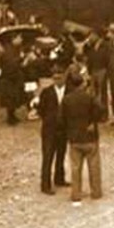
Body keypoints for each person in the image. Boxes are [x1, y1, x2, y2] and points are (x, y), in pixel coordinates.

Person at [61, 74, 103, 204]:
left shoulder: (66, 99)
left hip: (74, 138)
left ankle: (76, 194)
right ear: (82, 84)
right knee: (94, 166)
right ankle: (96, 192)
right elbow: (101, 110)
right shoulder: (89, 97)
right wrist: (92, 121)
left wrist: (68, 129)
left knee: (75, 167)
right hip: (89, 137)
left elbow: (61, 118)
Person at [37, 65, 70, 195]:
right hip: (49, 129)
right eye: (55, 78)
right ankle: (45, 184)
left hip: (63, 128)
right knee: (48, 156)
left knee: (61, 154)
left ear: (64, 78)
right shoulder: (47, 92)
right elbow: (41, 110)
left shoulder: (69, 91)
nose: (58, 81)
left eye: (60, 78)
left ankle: (59, 178)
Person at [0, 34, 26, 125]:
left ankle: (12, 116)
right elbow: (11, 64)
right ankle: (10, 118)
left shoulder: (15, 49)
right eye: (19, 38)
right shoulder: (8, 51)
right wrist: (21, 58)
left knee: (14, 98)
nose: (21, 40)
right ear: (13, 39)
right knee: (10, 99)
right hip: (9, 78)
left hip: (13, 77)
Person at [85, 28, 110, 120]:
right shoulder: (90, 46)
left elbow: (107, 58)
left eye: (92, 35)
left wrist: (107, 70)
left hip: (102, 69)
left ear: (97, 35)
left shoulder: (105, 46)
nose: (90, 37)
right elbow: (88, 57)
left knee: (102, 93)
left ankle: (104, 114)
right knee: (93, 93)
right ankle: (96, 113)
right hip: (93, 70)